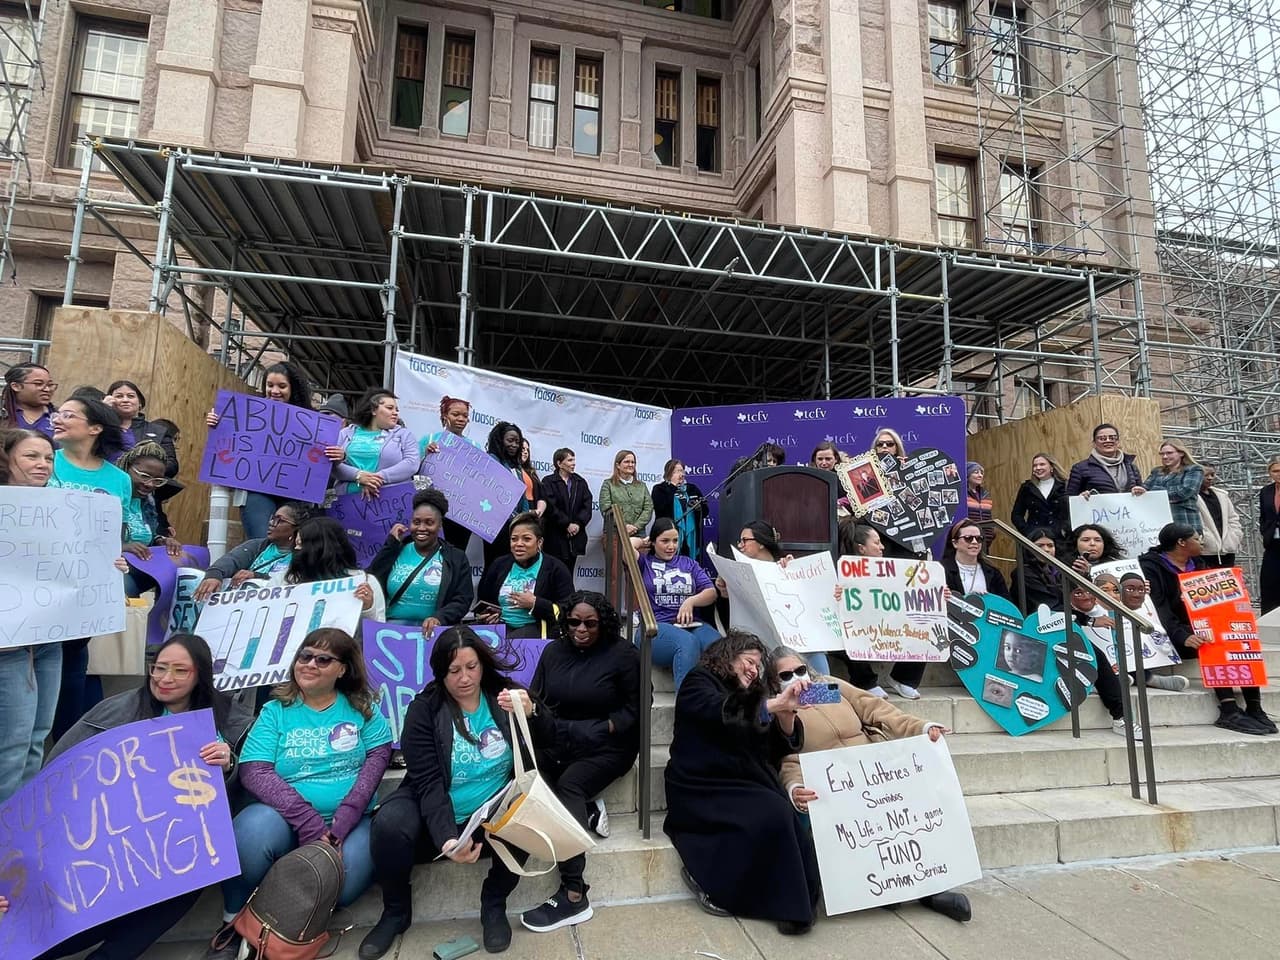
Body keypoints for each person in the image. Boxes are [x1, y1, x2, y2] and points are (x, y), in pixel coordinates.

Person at [41, 634, 252, 960]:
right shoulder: (116, 711)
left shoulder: (228, 719)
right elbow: (60, 770)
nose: (166, 679)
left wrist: (229, 765)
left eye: (180, 671)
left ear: (200, 675)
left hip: (177, 844)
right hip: (111, 839)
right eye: (159, 668)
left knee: (187, 884)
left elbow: (253, 784)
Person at [360, 627, 556, 958]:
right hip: (437, 810)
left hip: (492, 809)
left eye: (471, 667)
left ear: (483, 665)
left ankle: (493, 903)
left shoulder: (504, 695)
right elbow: (428, 782)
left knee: (527, 814)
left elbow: (552, 742)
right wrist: (447, 838)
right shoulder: (424, 710)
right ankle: (395, 912)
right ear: (440, 671)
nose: (464, 678)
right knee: (389, 825)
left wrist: (532, 712)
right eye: (453, 670)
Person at [214, 629, 393, 959]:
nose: (310, 664)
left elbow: (379, 757)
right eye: (304, 656)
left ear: (343, 668)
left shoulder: (363, 708)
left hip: (350, 823)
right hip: (286, 819)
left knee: (343, 886)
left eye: (323, 659)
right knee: (248, 837)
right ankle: (233, 921)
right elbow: (255, 770)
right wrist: (310, 825)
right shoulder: (275, 711)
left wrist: (342, 822)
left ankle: (281, 918)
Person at [774, 646, 971, 923]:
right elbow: (788, 756)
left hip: (873, 768)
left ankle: (932, 886)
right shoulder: (782, 709)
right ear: (774, 681)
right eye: (786, 674)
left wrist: (922, 727)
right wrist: (794, 788)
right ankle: (884, 887)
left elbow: (876, 708)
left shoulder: (827, 689)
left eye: (800, 670)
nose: (797, 679)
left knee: (911, 806)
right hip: (833, 784)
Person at [664, 631, 819, 934]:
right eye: (748, 662)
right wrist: (775, 705)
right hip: (699, 783)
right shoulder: (699, 681)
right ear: (728, 656)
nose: (753, 670)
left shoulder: (756, 694)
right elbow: (723, 711)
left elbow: (770, 749)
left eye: (758, 665)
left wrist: (787, 716)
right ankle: (720, 887)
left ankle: (795, 902)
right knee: (770, 814)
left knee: (782, 812)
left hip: (742, 778)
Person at [516, 593, 641, 933]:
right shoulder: (553, 651)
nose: (581, 629)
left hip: (607, 746)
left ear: (604, 623)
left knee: (569, 783)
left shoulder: (624, 655)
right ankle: (585, 811)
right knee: (523, 772)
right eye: (573, 622)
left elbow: (634, 712)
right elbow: (538, 698)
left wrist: (598, 729)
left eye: (590, 623)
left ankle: (574, 893)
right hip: (559, 739)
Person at [1139, 523, 1275, 735]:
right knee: (1212, 641)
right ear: (1181, 543)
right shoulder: (1151, 567)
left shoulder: (1199, 564)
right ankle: (1228, 708)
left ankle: (1254, 706)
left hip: (1199, 626)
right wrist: (1183, 635)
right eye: (1196, 538)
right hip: (1170, 633)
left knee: (1238, 636)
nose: (1202, 541)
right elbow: (1160, 610)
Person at [48, 396, 131, 741]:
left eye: (68, 414)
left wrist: (118, 558)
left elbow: (115, 535)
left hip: (84, 595)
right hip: (39, 586)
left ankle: (64, 753)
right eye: (57, 412)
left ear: (95, 428)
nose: (57, 419)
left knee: (72, 667)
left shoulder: (119, 480)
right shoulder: (42, 461)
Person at [0, 429, 61, 803]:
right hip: (9, 644)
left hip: (49, 640)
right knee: (13, 744)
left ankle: (20, 827)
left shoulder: (65, 510)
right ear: (7, 459)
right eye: (31, 457)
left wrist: (108, 563)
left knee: (37, 736)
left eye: (48, 458)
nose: (42, 465)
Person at [207, 361, 315, 539]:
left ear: (293, 388)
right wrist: (219, 424)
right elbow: (231, 440)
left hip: (293, 493)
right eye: (269, 385)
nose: (274, 391)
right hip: (256, 490)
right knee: (260, 540)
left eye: (282, 386)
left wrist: (338, 454)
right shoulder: (247, 412)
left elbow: (318, 455)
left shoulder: (310, 421)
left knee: (288, 543)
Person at [722, 520, 830, 676]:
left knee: (815, 653)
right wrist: (722, 586)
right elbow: (725, 597)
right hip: (760, 644)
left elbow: (814, 596)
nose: (740, 545)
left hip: (794, 640)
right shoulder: (737, 571)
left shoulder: (787, 566)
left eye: (745, 540)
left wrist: (794, 571)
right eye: (740, 541)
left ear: (761, 543)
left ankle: (825, 691)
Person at [838, 523, 930, 697]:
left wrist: (938, 594)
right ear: (861, 548)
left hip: (885, 625)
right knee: (851, 635)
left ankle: (903, 679)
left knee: (925, 624)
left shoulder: (893, 572)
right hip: (855, 629)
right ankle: (865, 682)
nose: (882, 547)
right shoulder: (841, 572)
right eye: (877, 542)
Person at [368, 488, 474, 631]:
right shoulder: (397, 549)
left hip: (435, 632)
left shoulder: (456, 557)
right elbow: (372, 580)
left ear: (440, 525)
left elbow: (463, 598)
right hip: (392, 631)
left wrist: (440, 618)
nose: (421, 528)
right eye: (416, 522)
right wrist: (390, 546)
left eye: (429, 522)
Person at [638, 518, 721, 690]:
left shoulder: (688, 563)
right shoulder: (644, 562)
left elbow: (711, 592)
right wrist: (644, 541)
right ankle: (688, 709)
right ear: (653, 541)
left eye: (675, 540)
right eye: (665, 541)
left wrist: (691, 601)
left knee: (719, 645)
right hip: (655, 627)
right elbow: (627, 546)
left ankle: (717, 702)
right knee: (687, 643)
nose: (671, 546)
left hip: (691, 624)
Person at [475, 513, 574, 639]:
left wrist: (535, 603)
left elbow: (568, 610)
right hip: (500, 627)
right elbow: (484, 601)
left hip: (536, 629)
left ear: (539, 542)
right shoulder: (499, 564)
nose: (519, 544)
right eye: (514, 539)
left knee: (514, 642)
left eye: (526, 539)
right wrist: (487, 615)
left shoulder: (556, 568)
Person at [193, 501, 314, 600]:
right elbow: (230, 560)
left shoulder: (304, 555)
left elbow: (293, 583)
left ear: (297, 529)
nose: (272, 523)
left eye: (280, 520)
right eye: (273, 518)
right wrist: (214, 575)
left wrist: (256, 576)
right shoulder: (257, 545)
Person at [274, 517, 386, 621]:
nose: (296, 549)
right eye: (296, 544)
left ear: (321, 550)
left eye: (301, 545)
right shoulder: (283, 580)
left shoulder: (365, 583)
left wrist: (367, 609)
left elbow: (377, 631)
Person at [327, 387, 419, 499]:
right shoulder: (345, 433)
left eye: (396, 410)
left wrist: (375, 479)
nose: (395, 413)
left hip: (390, 503)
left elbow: (411, 464)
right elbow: (331, 464)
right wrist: (358, 476)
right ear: (373, 410)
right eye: (390, 408)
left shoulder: (405, 435)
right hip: (346, 500)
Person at [419, 395, 479, 550]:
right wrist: (425, 454)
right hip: (432, 508)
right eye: (455, 414)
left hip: (462, 514)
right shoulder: (429, 440)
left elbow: (481, 481)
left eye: (465, 416)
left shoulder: (475, 447)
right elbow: (413, 472)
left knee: (456, 553)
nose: (461, 419)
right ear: (445, 416)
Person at [485, 421, 546, 567]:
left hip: (515, 525)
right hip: (497, 526)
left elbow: (522, 495)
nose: (514, 445)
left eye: (517, 442)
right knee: (494, 566)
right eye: (510, 440)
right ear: (500, 441)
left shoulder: (517, 466)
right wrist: (514, 517)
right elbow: (493, 494)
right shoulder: (492, 461)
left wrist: (524, 518)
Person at [104, 379, 179, 474]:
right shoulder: (99, 427)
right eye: (119, 396)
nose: (125, 400)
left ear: (140, 403)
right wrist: (102, 411)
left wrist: (142, 471)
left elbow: (172, 465)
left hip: (141, 485)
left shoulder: (159, 431)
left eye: (131, 396)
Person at [541, 447, 592, 578]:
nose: (573, 463)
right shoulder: (548, 482)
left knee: (568, 575)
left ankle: (567, 599)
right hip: (554, 538)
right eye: (570, 460)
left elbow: (587, 506)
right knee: (552, 574)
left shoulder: (580, 482)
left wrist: (578, 524)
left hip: (573, 540)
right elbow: (550, 507)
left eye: (574, 460)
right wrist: (566, 524)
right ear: (559, 463)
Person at [650, 459, 708, 560]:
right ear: (669, 473)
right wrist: (673, 486)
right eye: (677, 471)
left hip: (691, 536)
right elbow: (661, 509)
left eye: (682, 471)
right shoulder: (660, 489)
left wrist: (699, 508)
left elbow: (705, 511)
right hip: (670, 536)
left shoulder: (692, 489)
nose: (681, 474)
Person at [1066, 423, 1145, 497]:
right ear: (1094, 443)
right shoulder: (1080, 468)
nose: (1108, 441)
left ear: (1118, 441)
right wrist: (1079, 498)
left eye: (1112, 438)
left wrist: (1142, 492)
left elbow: (1142, 494)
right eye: (1102, 438)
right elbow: (1068, 499)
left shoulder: (1131, 467)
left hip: (1127, 511)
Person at [1145, 439, 1204, 534]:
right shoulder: (1156, 471)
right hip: (1160, 523)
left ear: (1181, 453)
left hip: (1185, 521)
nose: (1165, 456)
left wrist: (1157, 493)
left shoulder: (1194, 470)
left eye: (1169, 453)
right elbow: (1145, 489)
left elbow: (1184, 492)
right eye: (1162, 454)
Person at [941, 520, 1010, 600]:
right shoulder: (941, 570)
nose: (974, 542)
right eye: (968, 538)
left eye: (978, 539)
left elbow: (1005, 604)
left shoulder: (993, 573)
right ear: (955, 543)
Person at [598, 448, 652, 550]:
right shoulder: (608, 484)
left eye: (633, 462)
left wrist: (636, 526)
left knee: (638, 565)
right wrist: (624, 526)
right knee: (616, 566)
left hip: (638, 534)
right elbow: (606, 509)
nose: (631, 464)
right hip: (614, 534)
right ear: (618, 465)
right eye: (627, 461)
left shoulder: (642, 486)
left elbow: (648, 508)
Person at [1011, 452, 1070, 541]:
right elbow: (1016, 515)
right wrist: (1028, 532)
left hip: (1060, 539)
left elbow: (1073, 512)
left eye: (1042, 464)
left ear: (1051, 467)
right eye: (1035, 465)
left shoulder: (1065, 485)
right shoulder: (1027, 488)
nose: (1038, 468)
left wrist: (1065, 530)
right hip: (1035, 539)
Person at [1010, 527, 1066, 614]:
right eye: (1039, 546)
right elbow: (1049, 604)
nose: (1046, 550)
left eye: (1050, 545)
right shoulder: (1023, 573)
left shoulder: (1058, 571)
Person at [1197, 464, 1243, 569]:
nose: (1210, 478)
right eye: (1205, 475)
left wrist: (1235, 535)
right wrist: (1204, 539)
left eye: (1212, 474)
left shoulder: (1221, 495)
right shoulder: (1192, 496)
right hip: (1205, 550)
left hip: (1227, 549)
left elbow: (1233, 518)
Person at [1, 361, 56, 435]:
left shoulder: (59, 416)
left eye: (50, 385)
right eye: (38, 384)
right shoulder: (3, 415)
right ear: (16, 386)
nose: (47, 389)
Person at [1260, 457, 1280, 613]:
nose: (1279, 474)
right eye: (1275, 471)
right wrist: (1266, 532)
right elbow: (1264, 516)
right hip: (1272, 542)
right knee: (1270, 582)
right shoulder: (1266, 491)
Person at [966, 462, 995, 549]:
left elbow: (989, 516)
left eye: (981, 473)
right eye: (976, 472)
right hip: (969, 538)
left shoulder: (985, 494)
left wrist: (991, 533)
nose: (980, 475)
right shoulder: (963, 494)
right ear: (967, 475)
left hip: (986, 539)